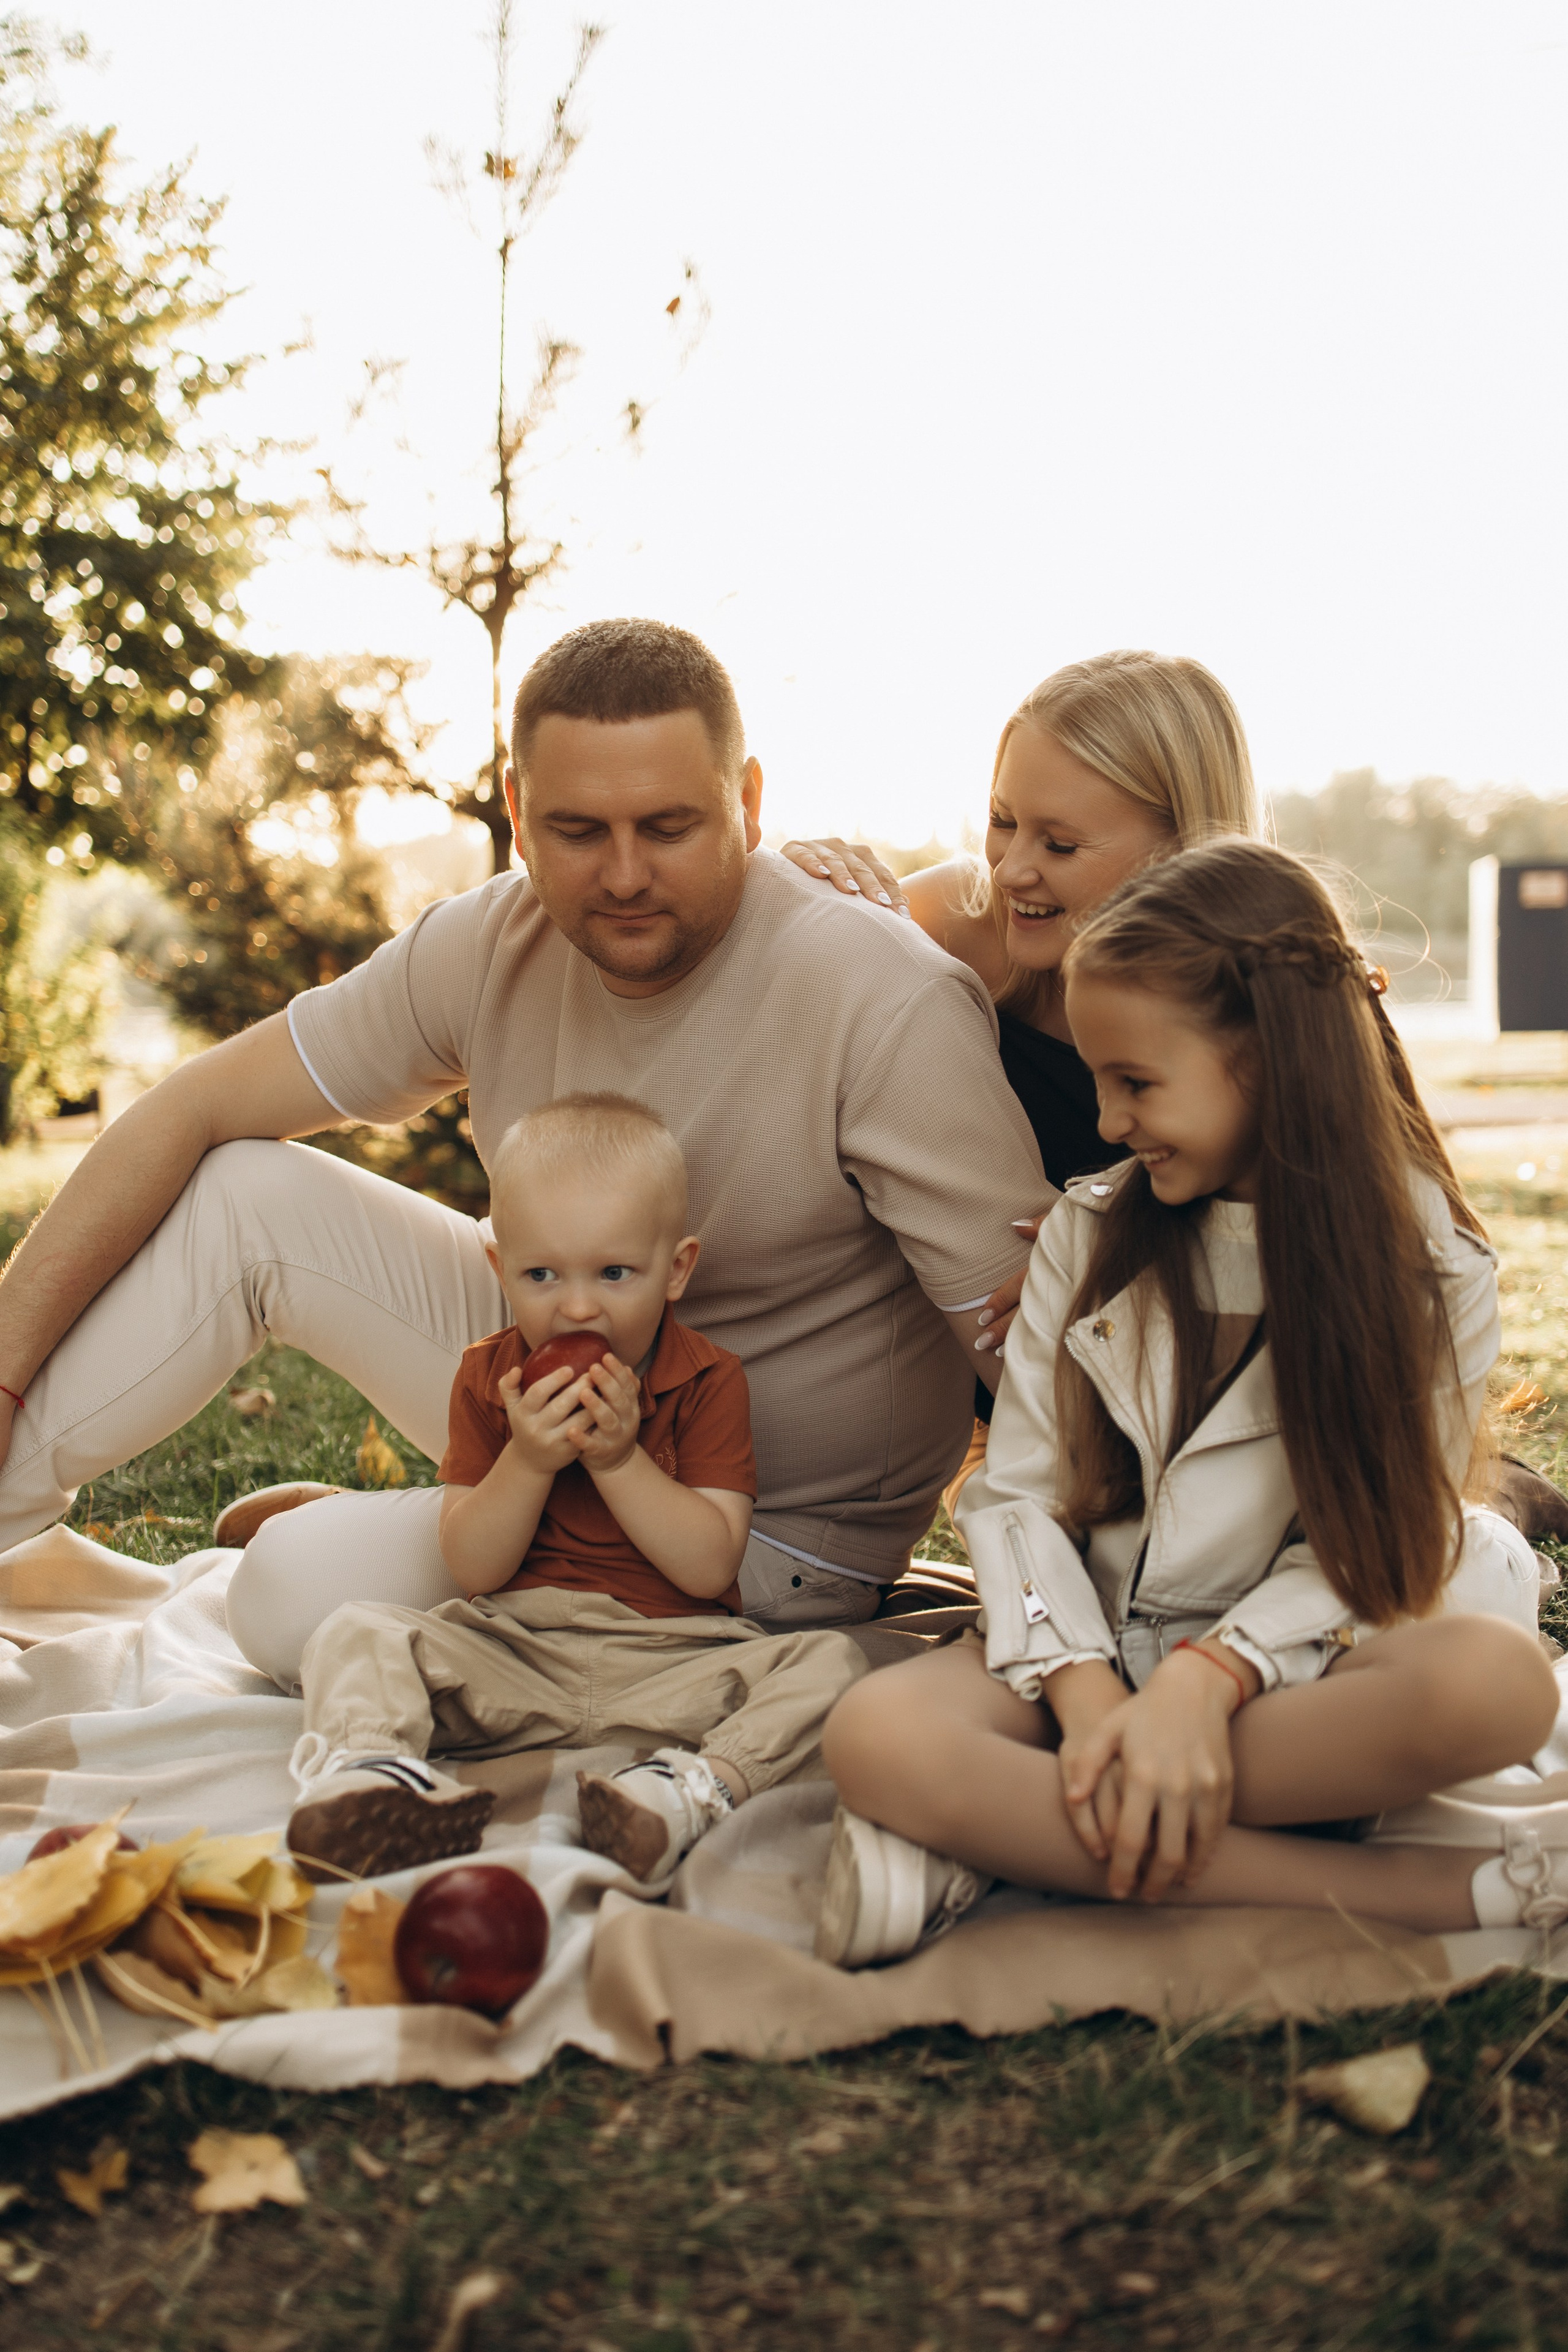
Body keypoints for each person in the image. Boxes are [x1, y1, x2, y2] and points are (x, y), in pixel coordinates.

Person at [0, 620, 1046, 1684]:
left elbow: (1041, 1358)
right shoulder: (493, 940)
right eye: (580, 830)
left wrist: (1101, 1631)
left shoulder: (881, 995)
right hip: (548, 1396)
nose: (626, 874)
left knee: (280, 1596)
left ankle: (383, 1534)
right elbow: (193, 1104)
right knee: (245, 1190)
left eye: (671, 826)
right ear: (516, 810)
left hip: (757, 1536)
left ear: (749, 801)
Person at [812, 839, 1567, 1967]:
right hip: (1085, 1654)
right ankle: (1409, 1892)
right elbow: (1016, 1498)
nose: (1108, 1122)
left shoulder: (1431, 1266)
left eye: (1137, 1083)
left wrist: (1212, 1683)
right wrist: (1091, 1707)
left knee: (1498, 1686)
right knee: (877, 1734)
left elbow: (1381, 1547)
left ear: (1263, 1062)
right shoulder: (1085, 1232)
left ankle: (1021, 1838)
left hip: (1293, 1684)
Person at [287, 1095, 864, 1885]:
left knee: (831, 1665)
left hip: (673, 1661)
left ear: (678, 1270)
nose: (578, 1304)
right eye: (541, 1274)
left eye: (615, 1272)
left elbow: (709, 1568)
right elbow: (474, 1567)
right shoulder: (489, 1378)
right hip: (518, 1652)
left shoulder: (708, 1380)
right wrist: (526, 1461)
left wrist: (620, 1460)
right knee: (357, 1632)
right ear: (500, 1270)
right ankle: (373, 1777)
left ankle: (685, 1795)